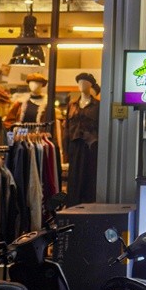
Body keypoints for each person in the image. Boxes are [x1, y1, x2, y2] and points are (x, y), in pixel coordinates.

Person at [65, 72, 99, 205]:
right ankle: (73, 206)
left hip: (91, 146)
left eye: (84, 82)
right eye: (79, 82)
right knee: (74, 179)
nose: (81, 85)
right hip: (75, 146)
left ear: (90, 85)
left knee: (89, 177)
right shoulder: (72, 105)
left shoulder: (97, 106)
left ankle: (89, 205)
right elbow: (66, 129)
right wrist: (66, 150)